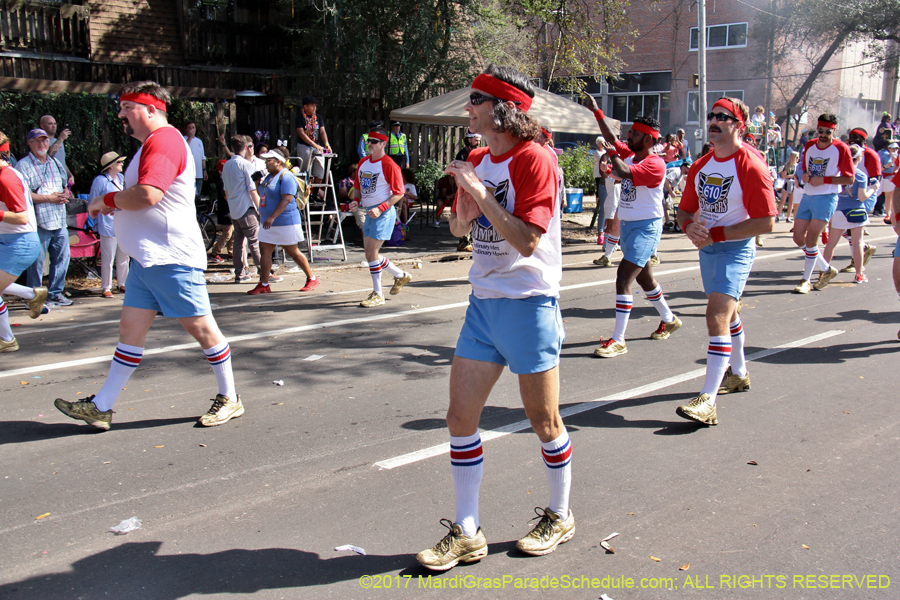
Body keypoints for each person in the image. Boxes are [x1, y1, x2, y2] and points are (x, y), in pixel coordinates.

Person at [416, 64, 572, 571]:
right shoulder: (479, 157)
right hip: (483, 305)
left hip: (529, 304)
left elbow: (527, 240)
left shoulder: (536, 159)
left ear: (502, 109)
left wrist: (481, 192)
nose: (468, 108)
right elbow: (462, 230)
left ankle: (560, 513)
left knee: (542, 421)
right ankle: (466, 531)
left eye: (477, 99)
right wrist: (461, 199)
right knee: (460, 418)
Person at [53, 81, 243, 430]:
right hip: (146, 259)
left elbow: (149, 194)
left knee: (202, 329)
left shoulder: (165, 139)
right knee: (129, 331)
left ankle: (230, 397)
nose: (121, 114)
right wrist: (120, 207)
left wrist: (105, 201)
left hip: (170, 256)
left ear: (151, 110)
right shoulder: (148, 146)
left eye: (128, 107)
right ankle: (102, 406)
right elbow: (143, 196)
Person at [674, 97, 776, 426]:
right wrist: (690, 227)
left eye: (723, 116)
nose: (714, 120)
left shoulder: (750, 164)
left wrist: (718, 234)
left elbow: (766, 222)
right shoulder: (702, 165)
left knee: (715, 314)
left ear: (738, 125)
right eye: (711, 115)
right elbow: (684, 210)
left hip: (736, 248)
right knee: (727, 313)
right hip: (708, 249)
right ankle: (739, 373)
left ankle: (708, 400)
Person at [584, 95, 682, 358]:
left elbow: (622, 169)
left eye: (635, 134)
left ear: (648, 139)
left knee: (624, 277)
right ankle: (669, 318)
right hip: (628, 226)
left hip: (646, 228)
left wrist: (613, 151)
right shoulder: (633, 154)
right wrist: (597, 112)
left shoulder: (655, 163)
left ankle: (619, 339)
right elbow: (613, 140)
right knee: (645, 278)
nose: (629, 136)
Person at [792, 113, 854, 294]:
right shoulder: (810, 145)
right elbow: (804, 168)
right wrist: (803, 176)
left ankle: (806, 280)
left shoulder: (841, 148)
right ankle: (826, 269)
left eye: (828, 131)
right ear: (817, 129)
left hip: (827, 197)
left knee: (812, 238)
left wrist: (825, 180)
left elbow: (849, 179)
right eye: (821, 130)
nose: (824, 134)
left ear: (834, 131)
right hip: (808, 196)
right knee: (798, 238)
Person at [246, 146, 319, 295]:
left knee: (292, 252)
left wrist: (272, 216)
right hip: (268, 222)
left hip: (286, 221)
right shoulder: (268, 177)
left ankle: (312, 278)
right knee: (265, 251)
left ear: (279, 162)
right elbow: (264, 195)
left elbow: (286, 199)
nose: (266, 163)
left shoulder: (286, 177)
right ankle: (264, 284)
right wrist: (257, 183)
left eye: (269, 160)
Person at [350, 127, 411, 307]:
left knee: (371, 253)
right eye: (368, 140)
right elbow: (358, 186)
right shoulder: (363, 163)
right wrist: (355, 200)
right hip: (369, 211)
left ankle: (378, 294)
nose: (369, 144)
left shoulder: (389, 164)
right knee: (370, 254)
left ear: (384, 143)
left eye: (374, 141)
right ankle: (400, 275)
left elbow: (399, 192)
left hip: (383, 213)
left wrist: (381, 208)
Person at [0, 129, 47, 352]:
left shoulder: (6, 177)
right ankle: (31, 294)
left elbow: (21, 217)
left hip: (20, 242)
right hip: (9, 240)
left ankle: (7, 340)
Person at [15, 128, 72, 307]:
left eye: (45, 140)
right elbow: (22, 196)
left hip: (59, 219)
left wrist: (64, 194)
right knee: (37, 263)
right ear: (29, 144)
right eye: (37, 141)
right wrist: (50, 198)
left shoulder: (55, 162)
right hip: (38, 221)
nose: (42, 144)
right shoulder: (22, 166)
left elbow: (65, 185)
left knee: (62, 259)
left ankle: (56, 294)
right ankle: (34, 298)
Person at [821, 144, 877, 284]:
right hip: (856, 211)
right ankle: (859, 274)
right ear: (860, 157)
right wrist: (873, 189)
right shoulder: (860, 175)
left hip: (838, 210)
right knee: (857, 243)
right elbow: (862, 197)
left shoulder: (837, 173)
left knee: (831, 244)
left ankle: (823, 272)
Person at [222, 134, 263, 284]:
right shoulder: (246, 165)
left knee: (238, 242)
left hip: (234, 209)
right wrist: (260, 210)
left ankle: (239, 273)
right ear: (245, 147)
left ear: (232, 148)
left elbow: (226, 192)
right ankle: (264, 271)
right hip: (246, 208)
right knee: (254, 241)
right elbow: (252, 190)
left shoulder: (227, 165)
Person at [89, 151, 129, 297]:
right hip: (107, 222)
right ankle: (106, 286)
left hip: (122, 221)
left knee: (124, 255)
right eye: (119, 162)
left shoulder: (121, 178)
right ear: (111, 165)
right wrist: (94, 222)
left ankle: (122, 283)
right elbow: (93, 201)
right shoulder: (100, 180)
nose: (122, 164)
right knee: (108, 257)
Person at [295, 95, 331, 180]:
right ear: (305, 106)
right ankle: (307, 192)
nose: (314, 107)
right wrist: (314, 145)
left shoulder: (318, 117)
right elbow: (301, 133)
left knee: (320, 171)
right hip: (304, 147)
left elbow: (322, 131)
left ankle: (316, 193)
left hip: (317, 146)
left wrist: (326, 143)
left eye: (315, 105)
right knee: (306, 172)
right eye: (312, 105)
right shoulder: (299, 118)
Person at [40, 115, 74, 190]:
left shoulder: (59, 141)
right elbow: (48, 155)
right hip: (51, 183)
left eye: (55, 124)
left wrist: (70, 175)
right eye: (50, 124)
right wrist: (61, 138)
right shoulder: (41, 142)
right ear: (42, 126)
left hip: (63, 184)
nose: (53, 126)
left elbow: (62, 161)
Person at [183, 121, 207, 197]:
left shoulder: (199, 141)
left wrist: (204, 170)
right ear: (186, 129)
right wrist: (189, 138)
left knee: (198, 196)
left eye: (193, 128)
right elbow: (184, 151)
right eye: (189, 128)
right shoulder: (183, 139)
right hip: (189, 174)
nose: (191, 130)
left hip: (199, 174)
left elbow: (203, 158)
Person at [775, 151, 799, 222]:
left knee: (791, 201)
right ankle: (778, 216)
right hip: (787, 183)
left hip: (794, 183)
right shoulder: (787, 165)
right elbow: (784, 176)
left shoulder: (797, 166)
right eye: (797, 157)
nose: (798, 159)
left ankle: (788, 217)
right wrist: (793, 176)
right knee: (783, 201)